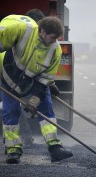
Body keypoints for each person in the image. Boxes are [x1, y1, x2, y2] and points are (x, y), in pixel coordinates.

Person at [0, 14, 72, 164]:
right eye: (52, 37)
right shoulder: (21, 30)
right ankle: (13, 150)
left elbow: (45, 79)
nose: (54, 41)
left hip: (34, 80)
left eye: (56, 38)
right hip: (8, 74)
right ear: (42, 31)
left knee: (46, 107)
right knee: (11, 111)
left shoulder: (56, 50)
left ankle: (54, 147)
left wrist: (36, 98)